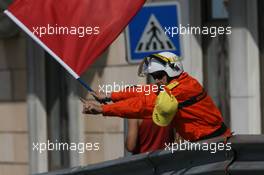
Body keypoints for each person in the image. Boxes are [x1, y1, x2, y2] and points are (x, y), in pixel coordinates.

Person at [82, 52, 231, 142]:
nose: (157, 80)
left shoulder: (179, 90)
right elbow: (144, 91)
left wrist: (103, 109)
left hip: (215, 143)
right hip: (208, 143)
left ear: (172, 70)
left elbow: (143, 105)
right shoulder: (180, 82)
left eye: (159, 75)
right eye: (154, 76)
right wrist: (109, 96)